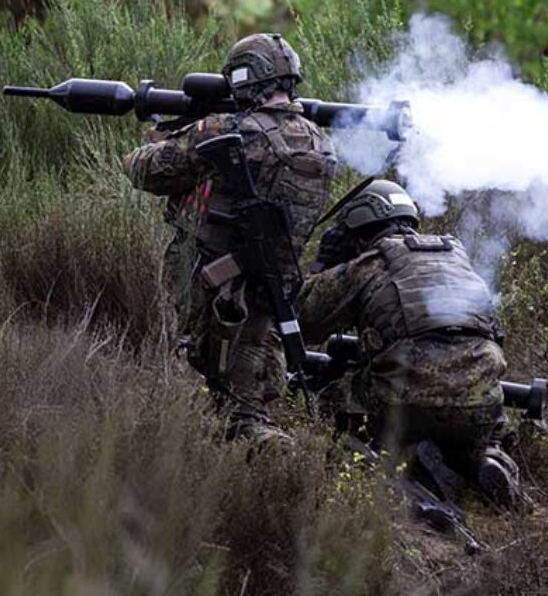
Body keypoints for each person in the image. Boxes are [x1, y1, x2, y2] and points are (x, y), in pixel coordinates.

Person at [124, 33, 337, 440]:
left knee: (211, 377)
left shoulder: (225, 132)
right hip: (274, 280)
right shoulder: (320, 143)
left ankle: (250, 441)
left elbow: (144, 170)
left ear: (245, 78)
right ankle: (256, 427)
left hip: (213, 277)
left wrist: (168, 133)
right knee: (254, 357)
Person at [298, 180, 523, 509]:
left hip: (404, 396)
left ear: (358, 225)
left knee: (327, 399)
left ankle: (378, 465)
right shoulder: (458, 258)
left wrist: (324, 265)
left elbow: (302, 320)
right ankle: (487, 460)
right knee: (482, 429)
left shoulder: (370, 264)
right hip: (480, 395)